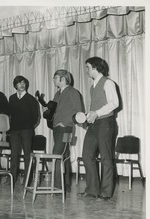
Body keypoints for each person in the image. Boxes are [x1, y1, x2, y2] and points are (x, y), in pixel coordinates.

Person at [79, 56, 119, 201]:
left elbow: (114, 103)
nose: (86, 70)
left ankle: (106, 192)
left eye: (88, 67)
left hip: (106, 123)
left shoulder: (108, 83)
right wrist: (88, 117)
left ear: (95, 68)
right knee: (86, 155)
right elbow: (95, 107)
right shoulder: (92, 86)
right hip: (94, 124)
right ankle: (92, 190)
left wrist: (96, 113)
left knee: (106, 158)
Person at [45, 70, 83, 193]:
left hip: (66, 128)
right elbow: (53, 111)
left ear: (62, 79)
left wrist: (65, 123)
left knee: (56, 154)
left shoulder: (73, 92)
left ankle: (57, 187)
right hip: (56, 128)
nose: (53, 80)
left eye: (55, 78)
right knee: (65, 155)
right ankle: (65, 185)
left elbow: (78, 112)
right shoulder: (57, 94)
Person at [8, 75, 40, 186]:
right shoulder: (11, 98)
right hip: (14, 132)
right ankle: (12, 179)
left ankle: (27, 180)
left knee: (27, 155)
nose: (22, 85)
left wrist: (29, 128)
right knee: (14, 155)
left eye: (23, 83)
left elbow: (36, 117)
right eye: (19, 83)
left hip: (27, 131)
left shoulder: (31, 99)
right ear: (15, 85)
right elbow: (9, 115)